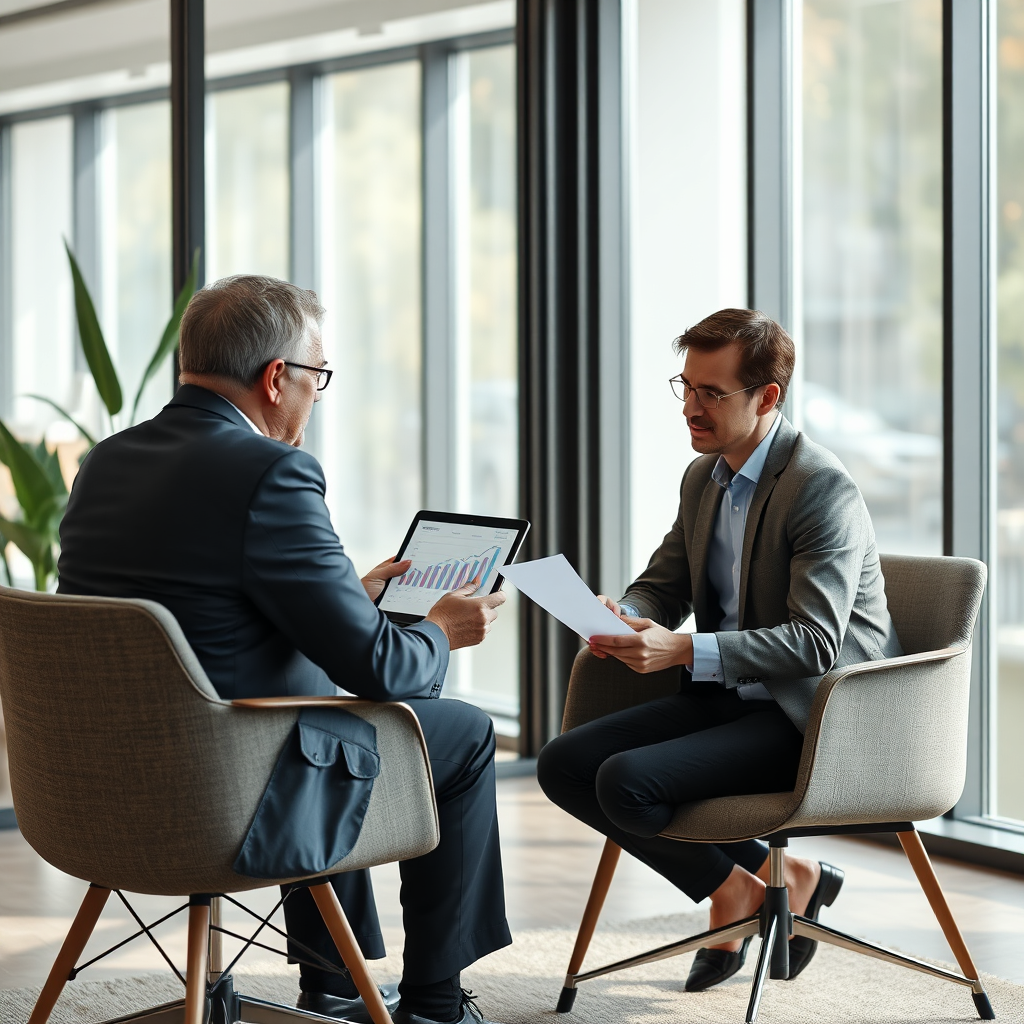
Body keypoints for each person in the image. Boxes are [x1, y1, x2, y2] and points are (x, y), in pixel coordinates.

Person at [57, 275, 510, 1024]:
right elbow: (385, 670)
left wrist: (344, 598)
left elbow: (201, 611)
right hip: (221, 798)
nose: (317, 397)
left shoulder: (106, 462)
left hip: (95, 795)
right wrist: (439, 630)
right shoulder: (273, 471)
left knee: (320, 714)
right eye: (318, 378)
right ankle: (434, 1001)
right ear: (277, 378)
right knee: (455, 734)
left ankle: (334, 981)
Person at [537, 307, 903, 992]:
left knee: (626, 782)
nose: (691, 409)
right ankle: (776, 876)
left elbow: (816, 642)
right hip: (730, 698)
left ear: (767, 398)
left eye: (712, 393)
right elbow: (661, 584)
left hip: (815, 716)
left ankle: (734, 891)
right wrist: (627, 613)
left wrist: (681, 652)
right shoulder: (703, 478)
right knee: (564, 764)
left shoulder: (819, 487)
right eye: (686, 387)